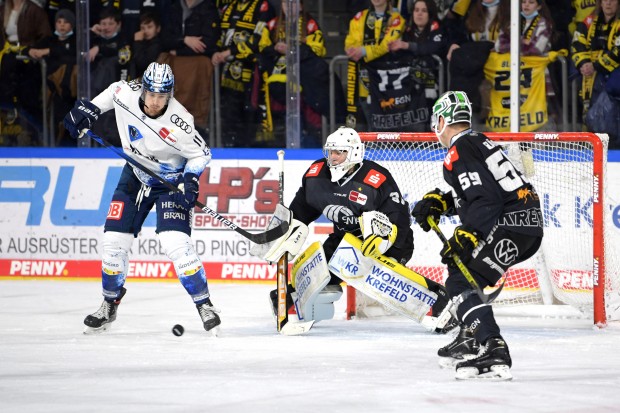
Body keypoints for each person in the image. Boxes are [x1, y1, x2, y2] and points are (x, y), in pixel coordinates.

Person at [62, 62, 219, 335]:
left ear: (170, 95)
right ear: (143, 89)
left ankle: (205, 305)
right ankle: (109, 305)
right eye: (152, 94)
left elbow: (201, 154)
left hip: (169, 182)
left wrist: (190, 179)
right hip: (134, 174)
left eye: (163, 96)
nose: (156, 101)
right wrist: (89, 109)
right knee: (113, 242)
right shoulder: (126, 92)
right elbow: (112, 92)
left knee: (176, 244)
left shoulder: (181, 122)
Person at [254, 126, 452, 329]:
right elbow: (299, 213)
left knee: (378, 278)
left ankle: (438, 302)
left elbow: (399, 220)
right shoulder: (316, 176)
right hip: (344, 240)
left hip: (387, 243)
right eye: (330, 151)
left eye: (339, 152)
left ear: (354, 153)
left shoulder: (376, 179)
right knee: (312, 270)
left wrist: (384, 241)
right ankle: (288, 302)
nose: (333, 157)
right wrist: (282, 232)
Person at [411, 90, 544, 380]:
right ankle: (472, 335)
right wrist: (443, 203)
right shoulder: (479, 141)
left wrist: (468, 233)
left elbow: (485, 199)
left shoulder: (459, 150)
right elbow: (484, 191)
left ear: (443, 120)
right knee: (467, 271)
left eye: (437, 119)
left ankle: (492, 345)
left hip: (510, 224)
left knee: (460, 279)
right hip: (525, 224)